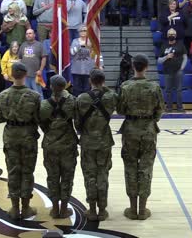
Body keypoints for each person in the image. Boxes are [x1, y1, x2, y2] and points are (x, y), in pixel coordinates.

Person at [117, 54, 164, 220]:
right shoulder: (154, 87)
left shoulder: (125, 86)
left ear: (132, 67)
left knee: (130, 167)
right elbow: (160, 110)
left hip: (130, 130)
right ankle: (143, 209)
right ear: (147, 67)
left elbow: (120, 109)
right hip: (149, 130)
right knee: (146, 168)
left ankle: (132, 208)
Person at [0, 62, 41, 220]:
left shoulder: (3, 95)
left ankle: (14, 208)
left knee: (13, 171)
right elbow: (39, 118)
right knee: (27, 171)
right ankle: (26, 208)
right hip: (28, 135)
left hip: (11, 136)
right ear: (26, 75)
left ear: (12, 75)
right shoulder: (34, 96)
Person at [75, 69, 118, 221]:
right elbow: (114, 97)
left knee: (90, 176)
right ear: (103, 81)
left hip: (87, 142)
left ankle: (92, 209)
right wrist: (103, 87)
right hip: (104, 142)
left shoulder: (81, 98)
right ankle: (102, 210)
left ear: (89, 81)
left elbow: (77, 124)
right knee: (103, 174)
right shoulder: (111, 97)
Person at [39, 75, 78, 218]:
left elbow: (41, 124)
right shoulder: (72, 102)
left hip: (50, 145)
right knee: (67, 177)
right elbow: (78, 122)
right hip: (68, 145)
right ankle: (64, 209)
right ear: (65, 87)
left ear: (50, 87)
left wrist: (51, 132)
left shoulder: (43, 105)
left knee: (52, 177)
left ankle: (55, 209)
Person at [158, 28, 187, 112]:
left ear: (176, 35)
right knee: (168, 90)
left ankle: (180, 107)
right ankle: (169, 107)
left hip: (178, 71)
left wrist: (182, 68)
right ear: (167, 35)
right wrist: (166, 57)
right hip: (167, 71)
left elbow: (185, 58)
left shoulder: (181, 45)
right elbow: (159, 61)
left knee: (179, 90)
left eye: (173, 34)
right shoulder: (164, 45)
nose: (171, 36)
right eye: (170, 34)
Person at [70, 25, 99, 97]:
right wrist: (79, 45)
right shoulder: (75, 41)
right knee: (77, 90)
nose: (83, 32)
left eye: (85, 30)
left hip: (88, 70)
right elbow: (72, 52)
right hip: (77, 70)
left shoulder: (92, 41)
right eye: (81, 30)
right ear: (78, 32)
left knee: (87, 90)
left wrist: (100, 64)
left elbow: (97, 54)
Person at [18, 29, 46, 97]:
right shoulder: (23, 45)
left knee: (38, 94)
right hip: (25, 76)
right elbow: (20, 59)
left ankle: (41, 107)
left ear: (34, 35)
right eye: (27, 34)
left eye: (30, 33)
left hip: (35, 75)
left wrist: (41, 70)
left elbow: (44, 58)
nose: (28, 35)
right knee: (25, 95)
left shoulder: (39, 45)